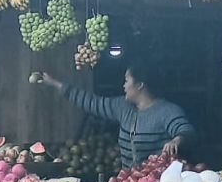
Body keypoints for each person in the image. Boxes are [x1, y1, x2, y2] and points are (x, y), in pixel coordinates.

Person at [38, 59, 197, 167]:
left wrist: (176, 140)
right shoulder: (122, 106)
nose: (123, 85)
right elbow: (92, 102)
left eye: (127, 80)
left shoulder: (166, 111)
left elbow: (185, 130)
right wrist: (55, 84)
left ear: (140, 85)